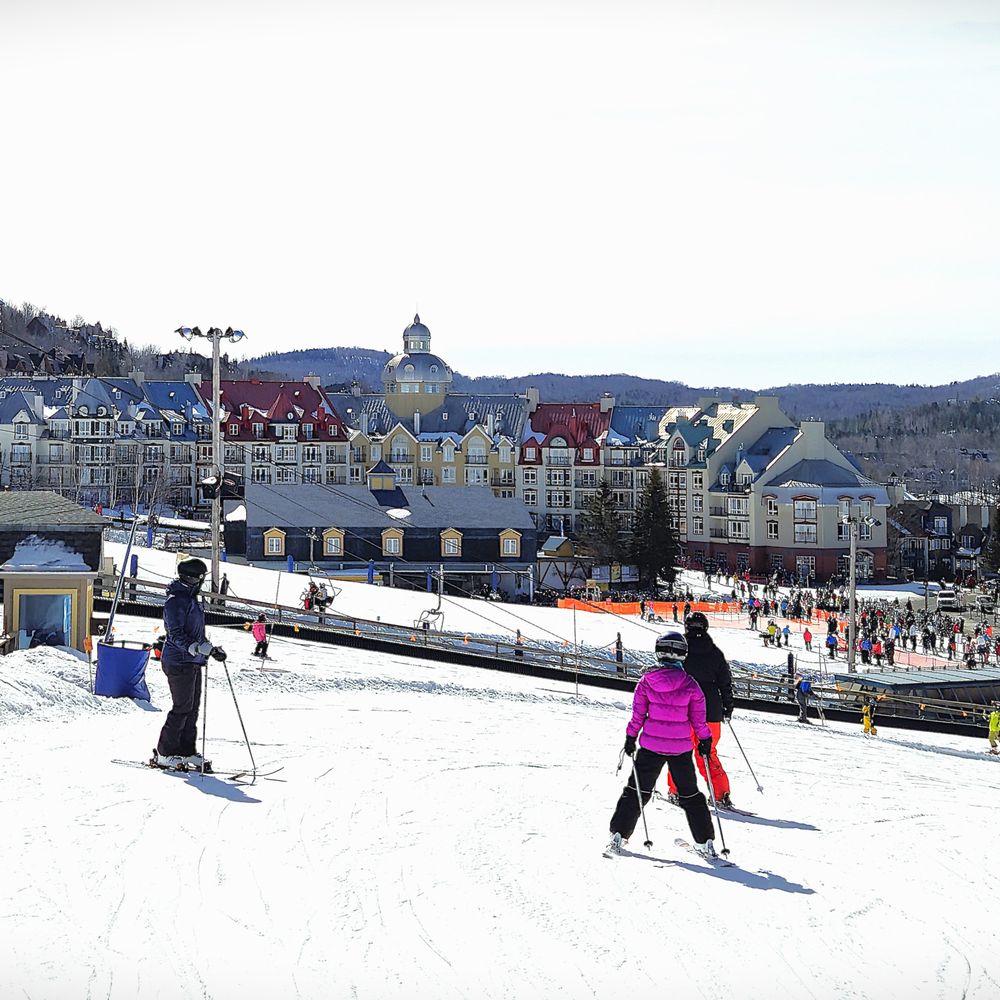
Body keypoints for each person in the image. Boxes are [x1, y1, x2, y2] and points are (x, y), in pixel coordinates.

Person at [605, 631, 717, 859]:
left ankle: (618, 834)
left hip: (650, 747)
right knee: (690, 795)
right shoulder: (691, 685)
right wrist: (705, 740)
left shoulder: (646, 681)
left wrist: (630, 737)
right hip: (681, 749)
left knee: (636, 790)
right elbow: (699, 720)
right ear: (683, 655)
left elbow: (638, 715)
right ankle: (705, 842)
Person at [154, 558, 226, 771]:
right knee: (182, 707)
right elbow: (175, 634)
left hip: (192, 661)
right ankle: (165, 753)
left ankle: (186, 751)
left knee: (192, 709)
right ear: (196, 579)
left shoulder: (191, 599)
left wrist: (210, 649)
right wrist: (195, 647)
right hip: (178, 661)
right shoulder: (176, 600)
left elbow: (195, 632)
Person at [666, 612, 736, 809]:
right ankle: (721, 794)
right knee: (708, 752)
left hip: (684, 709)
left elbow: (670, 679)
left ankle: (677, 791)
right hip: (711, 710)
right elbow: (725, 683)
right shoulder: (715, 653)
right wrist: (727, 707)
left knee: (680, 750)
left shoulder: (679, 651)